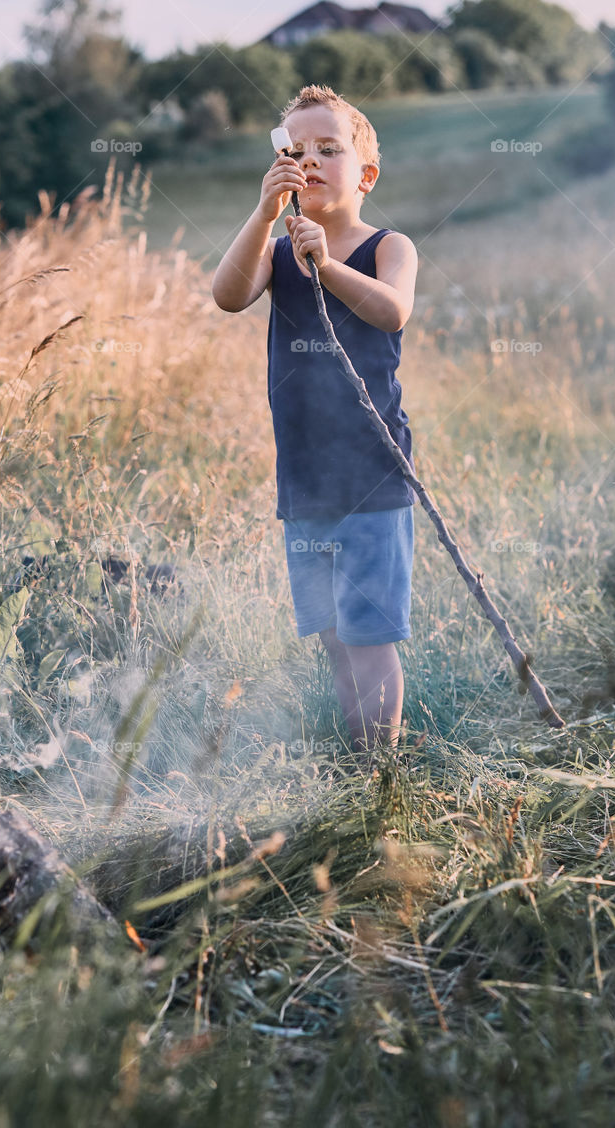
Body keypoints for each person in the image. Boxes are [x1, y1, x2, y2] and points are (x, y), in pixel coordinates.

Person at [211, 84, 419, 755]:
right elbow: (227, 296)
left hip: (370, 474)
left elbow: (390, 311)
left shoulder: (387, 246)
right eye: (294, 151)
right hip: (304, 478)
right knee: (333, 638)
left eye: (328, 149)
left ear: (364, 173)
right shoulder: (275, 253)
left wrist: (325, 265)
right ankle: (357, 762)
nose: (310, 160)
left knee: (369, 637)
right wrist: (264, 213)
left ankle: (379, 773)